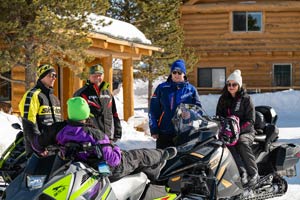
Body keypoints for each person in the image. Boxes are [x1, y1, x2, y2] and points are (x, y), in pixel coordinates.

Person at [30, 97, 177, 182]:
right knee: (139, 155)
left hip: (75, 168)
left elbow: (36, 143)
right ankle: (163, 154)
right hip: (103, 170)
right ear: (86, 113)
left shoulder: (58, 129)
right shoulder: (94, 134)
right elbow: (113, 159)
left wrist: (43, 151)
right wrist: (117, 150)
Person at [216, 69, 259, 186]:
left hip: (246, 131)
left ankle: (254, 173)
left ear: (239, 85)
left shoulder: (246, 99)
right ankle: (242, 172)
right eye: (229, 84)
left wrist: (237, 131)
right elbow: (218, 116)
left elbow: (251, 120)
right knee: (225, 146)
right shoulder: (223, 99)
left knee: (241, 143)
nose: (231, 87)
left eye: (234, 84)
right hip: (228, 132)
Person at [149, 59, 202, 149]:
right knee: (163, 160)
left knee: (183, 161)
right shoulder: (162, 88)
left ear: (184, 74)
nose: (177, 75)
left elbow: (199, 110)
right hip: (165, 132)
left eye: (179, 72)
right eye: (174, 72)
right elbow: (153, 111)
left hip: (185, 132)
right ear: (171, 73)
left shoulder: (191, 90)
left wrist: (190, 114)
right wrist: (154, 129)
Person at [19, 63, 62, 156]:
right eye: (51, 75)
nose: (54, 78)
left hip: (55, 150)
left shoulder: (55, 99)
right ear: (42, 77)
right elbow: (29, 124)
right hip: (39, 151)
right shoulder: (32, 95)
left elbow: (58, 124)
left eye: (55, 75)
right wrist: (38, 147)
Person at [74, 64, 122, 141]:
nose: (97, 78)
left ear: (103, 76)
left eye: (99, 75)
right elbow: (75, 117)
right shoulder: (81, 94)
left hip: (108, 137)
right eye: (94, 75)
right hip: (90, 137)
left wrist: (118, 130)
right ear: (89, 76)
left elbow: (114, 114)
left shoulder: (108, 94)